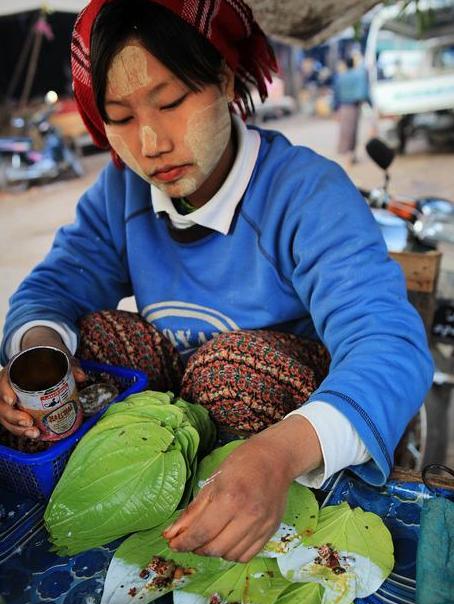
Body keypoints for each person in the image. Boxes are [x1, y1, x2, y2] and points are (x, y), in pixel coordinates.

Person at [0, 0, 432, 563]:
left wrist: (278, 454)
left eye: (172, 101)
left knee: (229, 372)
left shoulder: (305, 195)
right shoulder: (120, 194)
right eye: (122, 117)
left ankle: (240, 506)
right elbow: (52, 288)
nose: (151, 142)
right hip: (175, 418)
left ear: (224, 79)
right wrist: (33, 370)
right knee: (83, 340)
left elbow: (390, 347)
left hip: (281, 425)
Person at [333, 55, 370, 164]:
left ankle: (347, 155)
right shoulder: (358, 75)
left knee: (345, 131)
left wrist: (335, 108)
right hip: (355, 106)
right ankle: (351, 155)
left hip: (344, 107)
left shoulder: (340, 77)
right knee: (353, 131)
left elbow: (336, 94)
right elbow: (363, 91)